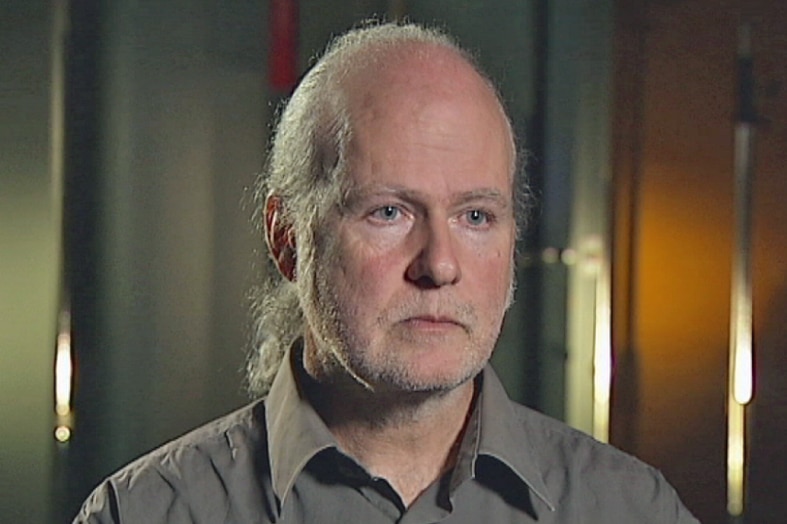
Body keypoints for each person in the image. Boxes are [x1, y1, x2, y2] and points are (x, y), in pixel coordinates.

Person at [75, 22, 699, 523]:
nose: (440, 265)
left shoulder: (629, 508)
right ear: (288, 238)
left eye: (476, 216)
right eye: (390, 211)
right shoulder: (146, 512)